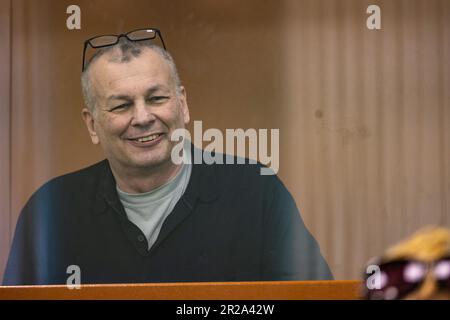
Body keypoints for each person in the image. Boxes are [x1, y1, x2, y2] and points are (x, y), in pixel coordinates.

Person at [2, 29, 332, 285]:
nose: (143, 117)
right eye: (121, 105)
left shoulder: (255, 191)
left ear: (183, 104)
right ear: (92, 124)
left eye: (156, 98)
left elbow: (313, 296)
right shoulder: (51, 211)